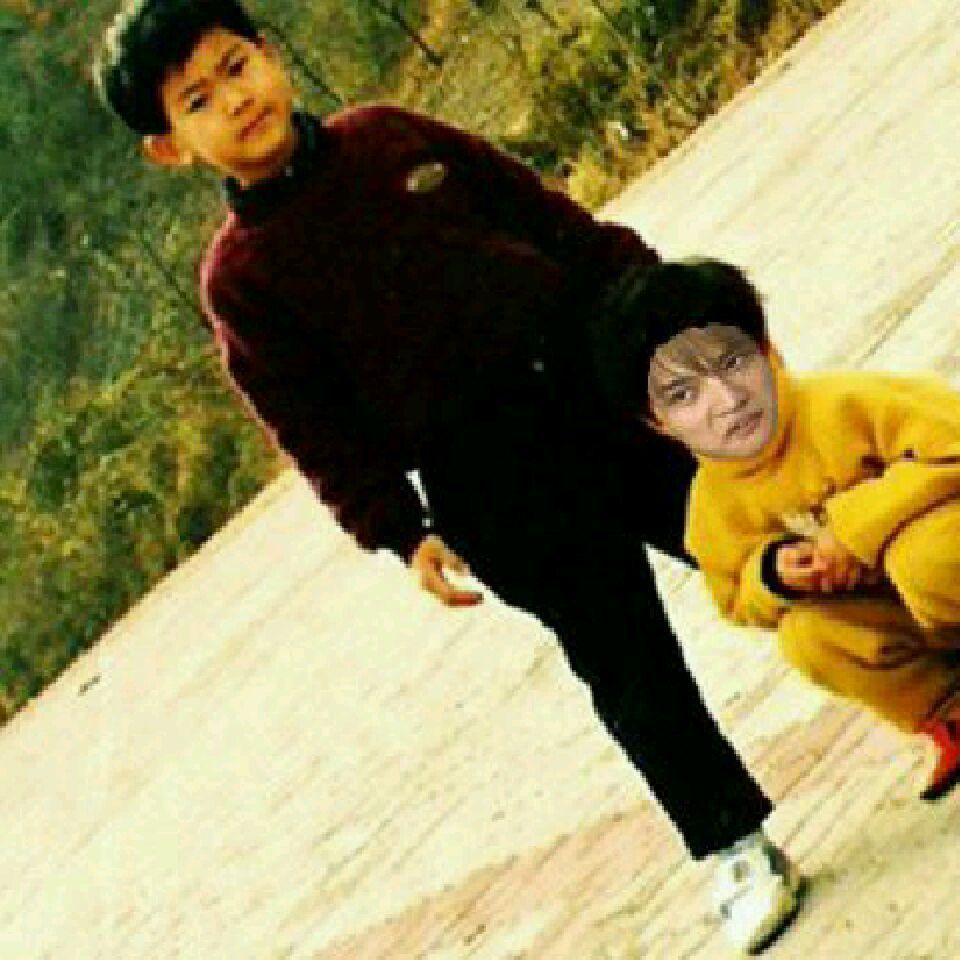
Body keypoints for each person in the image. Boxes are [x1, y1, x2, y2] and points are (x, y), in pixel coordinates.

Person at [94, 3, 802, 951]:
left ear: (267, 52)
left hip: (597, 392)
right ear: (169, 147)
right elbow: (313, 428)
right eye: (197, 99)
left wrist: (681, 316)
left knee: (771, 538)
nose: (235, 98)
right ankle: (735, 846)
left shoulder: (388, 136)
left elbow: (551, 221)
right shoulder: (241, 280)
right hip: (492, 485)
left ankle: (929, 686)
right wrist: (399, 530)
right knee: (629, 668)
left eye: (235, 64)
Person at [592, 257, 960, 810]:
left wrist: (854, 528)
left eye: (733, 363)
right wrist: (775, 573)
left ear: (769, 351)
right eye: (683, 395)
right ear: (656, 423)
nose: (725, 400)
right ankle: (950, 711)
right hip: (912, 623)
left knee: (928, 558)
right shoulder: (712, 508)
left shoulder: (846, 404)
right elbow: (733, 596)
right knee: (808, 637)